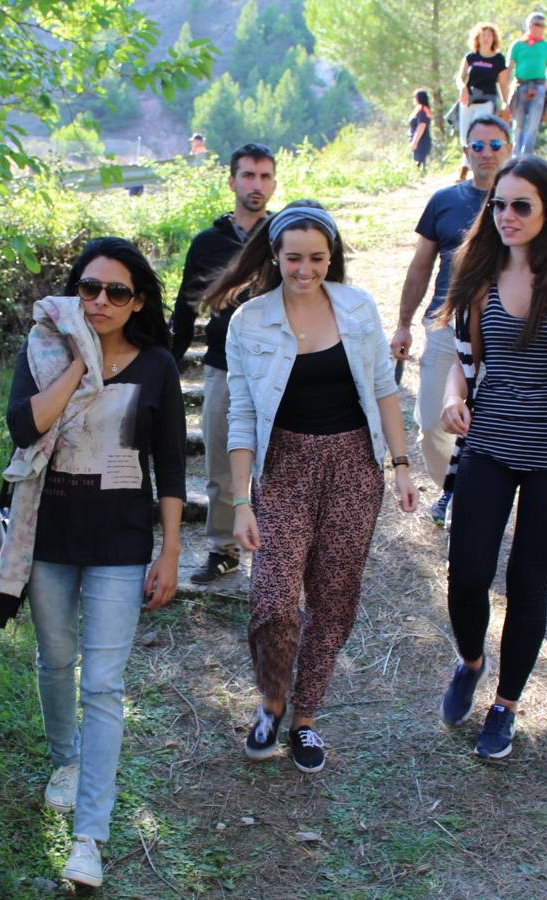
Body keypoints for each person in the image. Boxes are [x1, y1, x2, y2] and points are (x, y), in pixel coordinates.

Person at [1, 238, 186, 888]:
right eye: (88, 288)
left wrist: (169, 548)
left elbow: (168, 466)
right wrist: (80, 365)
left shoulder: (158, 365)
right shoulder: (45, 351)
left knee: (103, 685)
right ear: (74, 291)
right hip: (49, 538)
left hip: (122, 544)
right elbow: (23, 428)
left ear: (137, 300)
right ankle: (64, 760)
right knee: (55, 659)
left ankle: (89, 836)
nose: (99, 301)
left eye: (114, 291)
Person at [213, 201, 420, 774]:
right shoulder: (249, 322)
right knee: (274, 597)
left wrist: (401, 465)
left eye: (318, 258)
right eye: (294, 258)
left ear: (332, 257)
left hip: (354, 464)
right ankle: (272, 699)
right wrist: (238, 499)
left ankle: (305, 718)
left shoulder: (356, 307)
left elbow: (382, 387)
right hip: (283, 467)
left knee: (333, 596)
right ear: (275, 256)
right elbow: (241, 416)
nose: (306, 269)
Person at [436, 156, 547, 759]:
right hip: (489, 443)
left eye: (522, 205)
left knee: (527, 581)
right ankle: (469, 660)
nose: (507, 216)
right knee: (466, 573)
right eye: (499, 204)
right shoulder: (480, 270)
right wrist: (452, 398)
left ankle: (505, 705)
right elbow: (464, 364)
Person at [390, 115, 513, 528]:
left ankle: (476, 502)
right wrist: (404, 323)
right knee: (431, 422)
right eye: (477, 146)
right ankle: (452, 489)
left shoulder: (523, 201)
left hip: (507, 330)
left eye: (495, 145)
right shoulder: (444, 200)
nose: (487, 154)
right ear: (465, 152)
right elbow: (420, 267)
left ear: (509, 149)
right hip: (446, 324)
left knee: (494, 425)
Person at [170, 143, 277, 585]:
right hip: (222, 367)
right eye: (248, 175)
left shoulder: (285, 235)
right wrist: (165, 366)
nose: (257, 185)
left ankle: (277, 553)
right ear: (232, 181)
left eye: (265, 176)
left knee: (277, 465)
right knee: (219, 462)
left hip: (277, 367)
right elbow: (183, 310)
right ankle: (223, 549)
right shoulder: (207, 243)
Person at [456, 24, 509, 180]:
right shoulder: (471, 57)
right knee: (465, 135)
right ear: (477, 38)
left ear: (494, 39)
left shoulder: (499, 59)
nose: (486, 38)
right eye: (483, 35)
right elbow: (460, 77)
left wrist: (506, 103)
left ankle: (466, 168)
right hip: (468, 100)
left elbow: (503, 83)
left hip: (487, 100)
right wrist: (463, 88)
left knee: (478, 134)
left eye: (489, 35)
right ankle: (467, 164)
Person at [506, 12, 547, 157]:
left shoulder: (545, 46)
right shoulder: (518, 45)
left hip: (539, 87)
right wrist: (506, 94)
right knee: (518, 123)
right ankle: (516, 155)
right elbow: (509, 69)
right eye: (537, 24)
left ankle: (527, 154)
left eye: (543, 25)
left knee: (533, 123)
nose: (541, 28)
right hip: (520, 86)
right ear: (529, 25)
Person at [409, 89, 434, 173]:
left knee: (420, 167)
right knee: (419, 166)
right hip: (421, 141)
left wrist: (414, 142)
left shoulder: (422, 111)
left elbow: (421, 126)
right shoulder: (421, 109)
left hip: (421, 142)